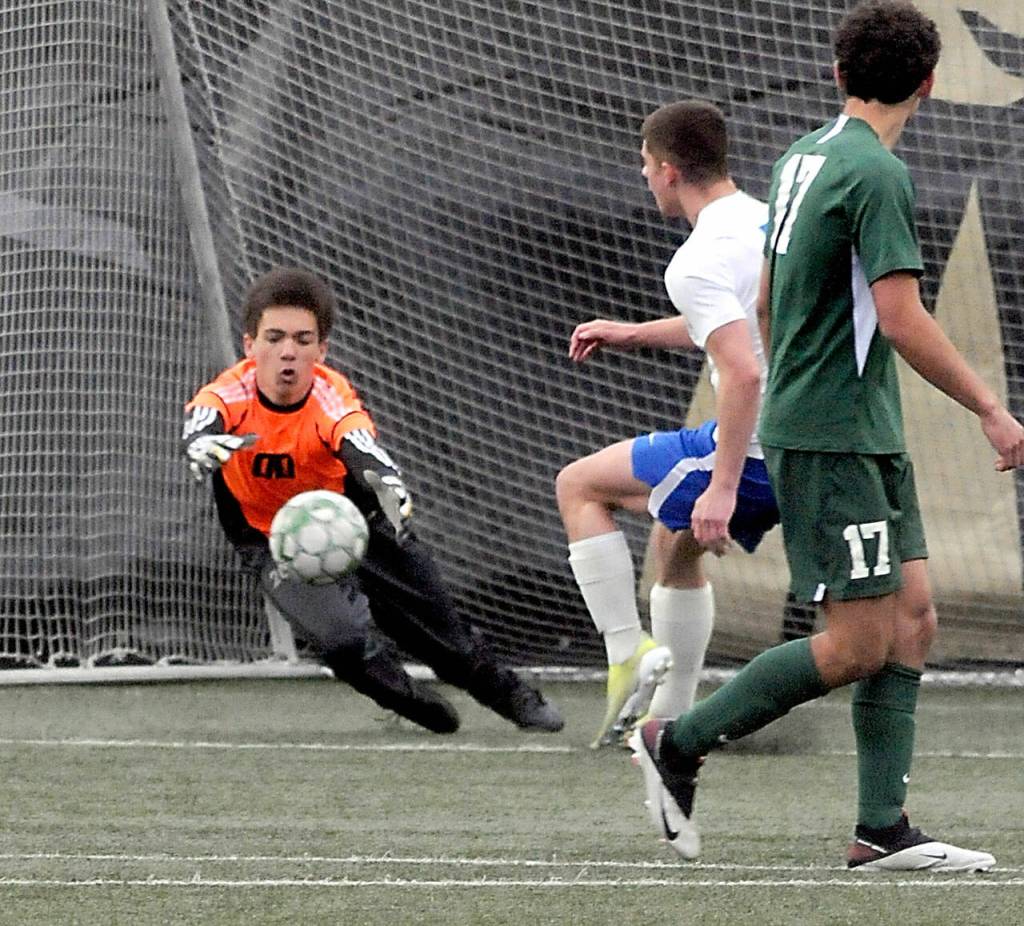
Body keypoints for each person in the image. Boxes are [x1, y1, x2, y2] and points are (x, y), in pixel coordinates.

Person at [633, 0, 1024, 871]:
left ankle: (881, 830)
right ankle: (677, 742)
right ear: (928, 83)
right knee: (856, 644)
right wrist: (990, 409)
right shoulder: (877, 175)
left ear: (840, 74)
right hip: (836, 434)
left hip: (860, 430)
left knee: (913, 620)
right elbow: (899, 319)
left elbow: (768, 301)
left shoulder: (802, 156)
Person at [183, 266, 563, 735]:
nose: (287, 352)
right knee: (342, 643)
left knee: (440, 633)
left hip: (358, 518)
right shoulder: (228, 393)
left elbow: (358, 442)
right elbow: (204, 419)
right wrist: (198, 442)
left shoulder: (330, 397)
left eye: (303, 340)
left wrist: (387, 479)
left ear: (321, 350)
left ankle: (512, 697)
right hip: (270, 538)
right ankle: (405, 698)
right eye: (274, 337)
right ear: (249, 346)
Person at [555, 99, 779, 750]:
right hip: (800, 441)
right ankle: (671, 726)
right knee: (672, 550)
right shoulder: (765, 219)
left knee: (578, 486)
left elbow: (742, 372)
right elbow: (730, 322)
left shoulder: (695, 257)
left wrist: (724, 486)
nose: (645, 178)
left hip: (752, 449)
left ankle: (627, 654)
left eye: (646, 166)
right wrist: (630, 333)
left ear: (670, 170)